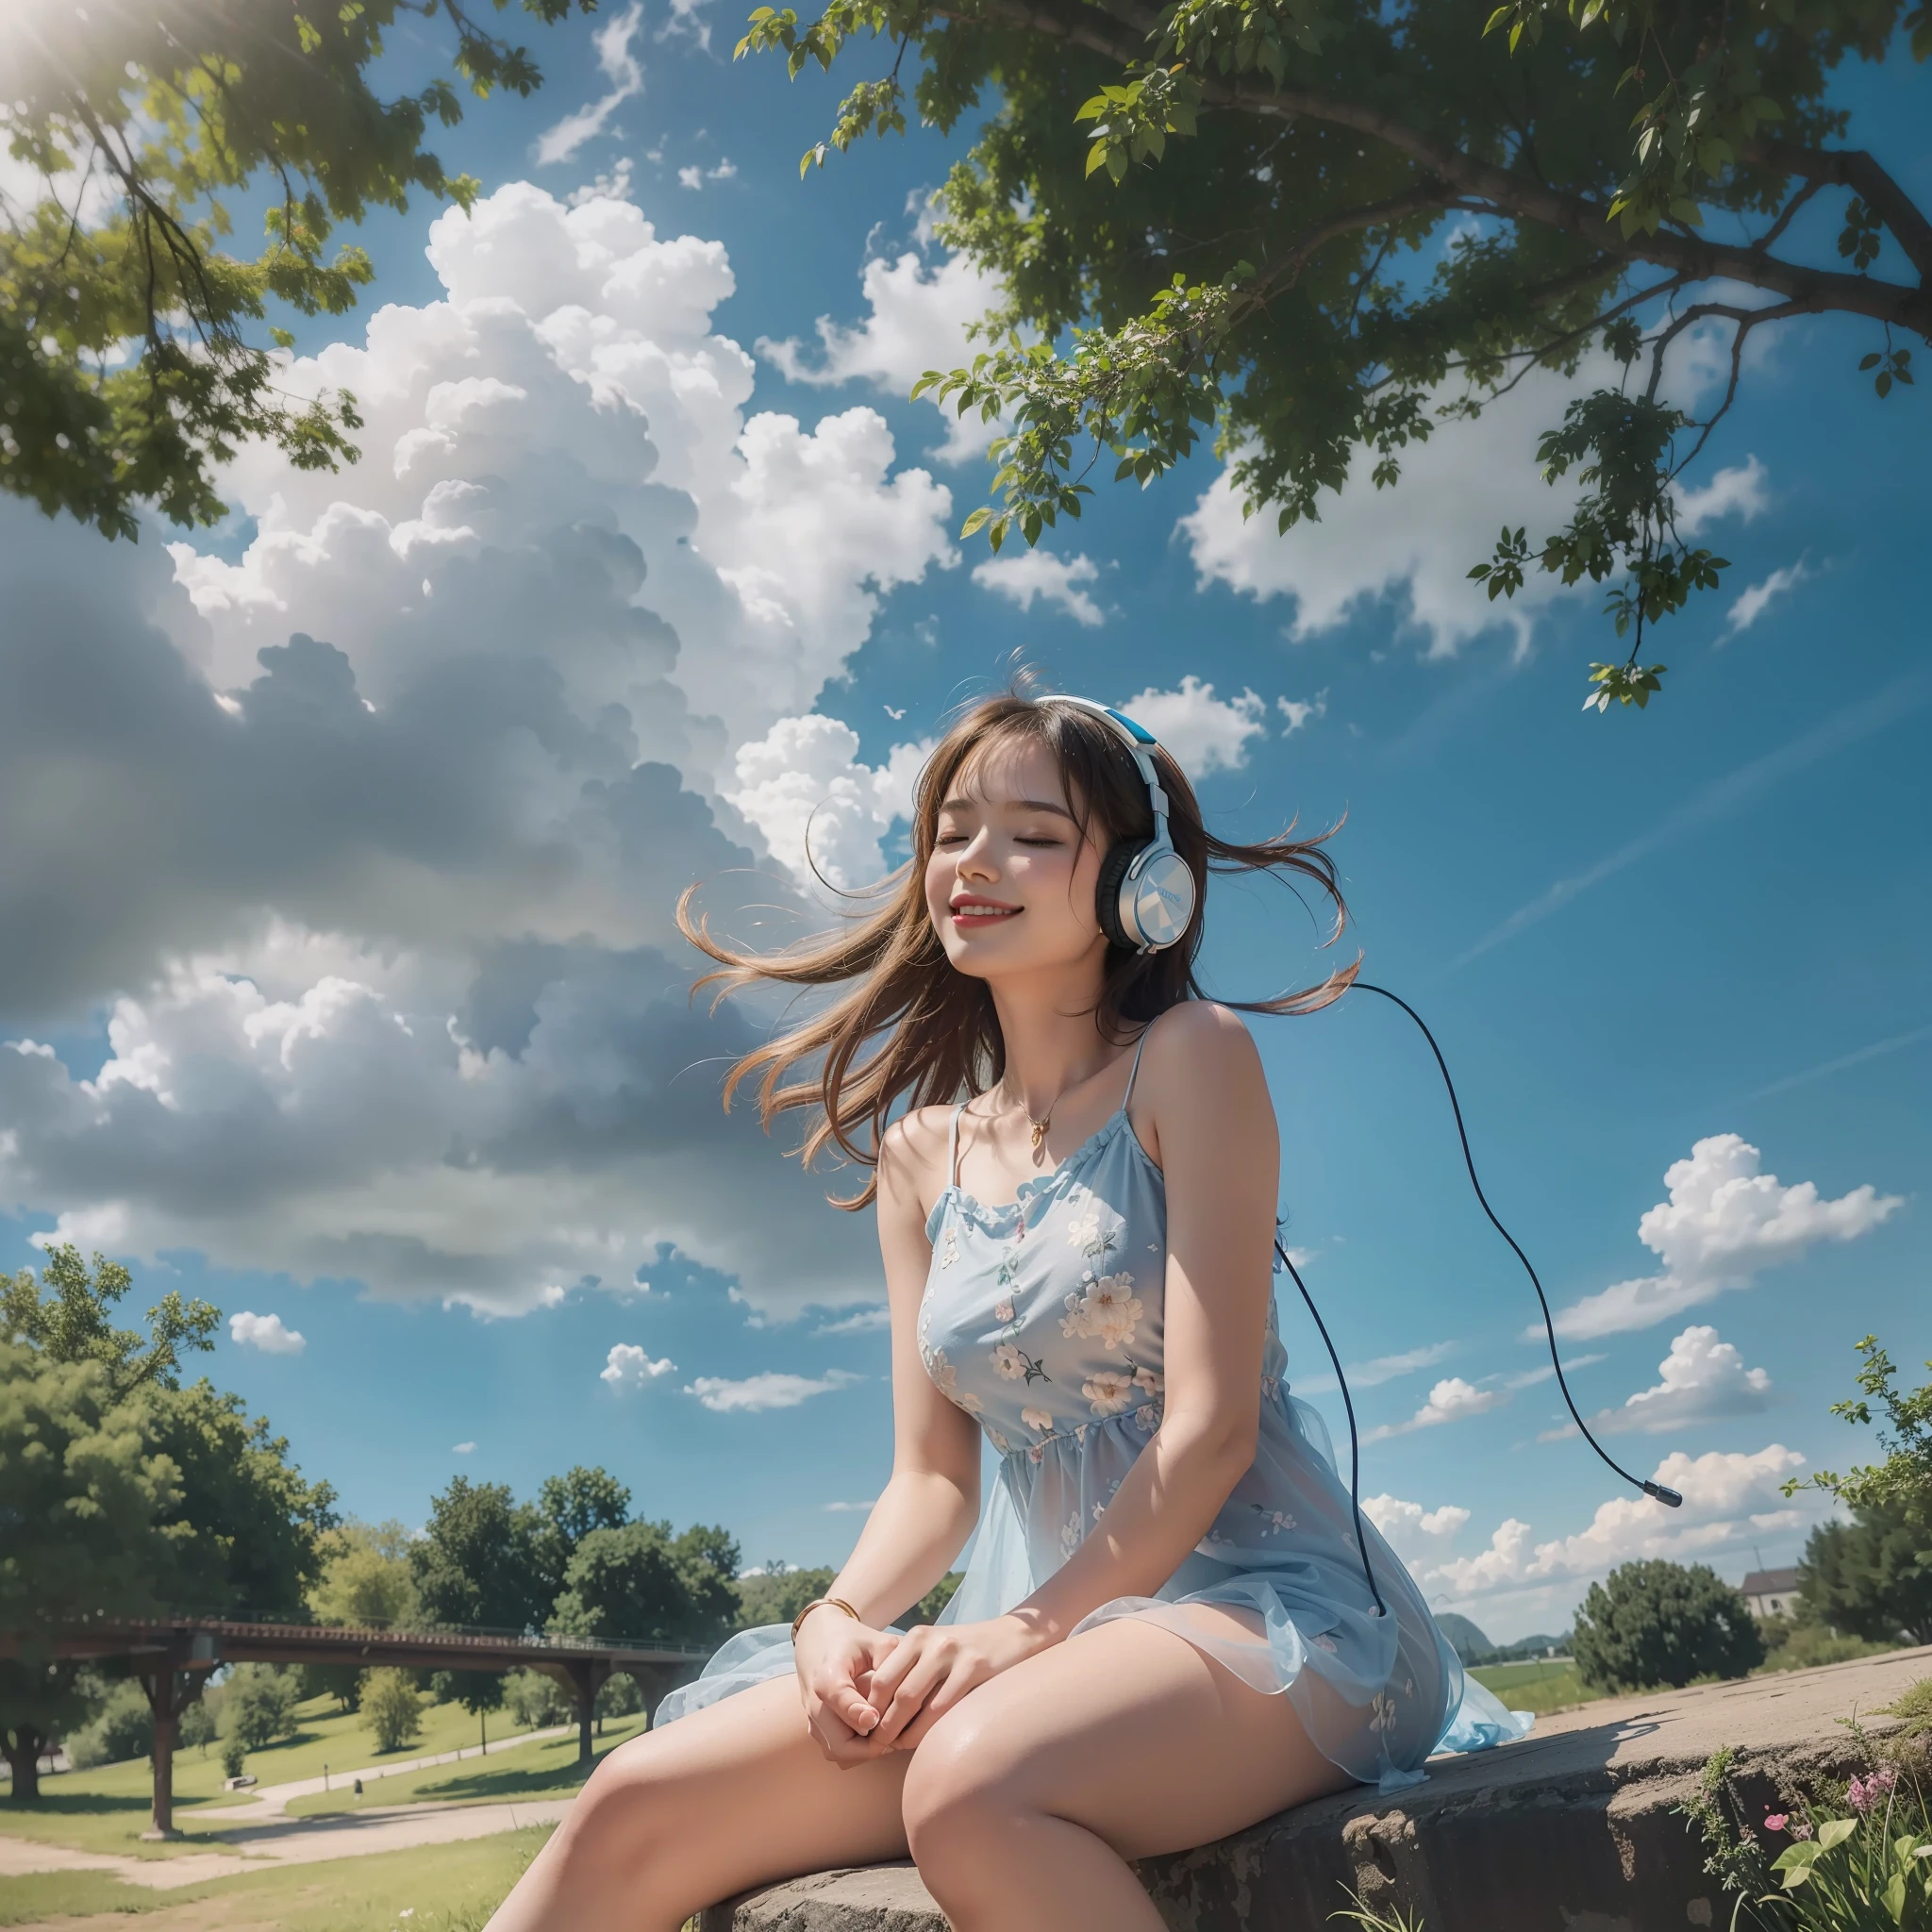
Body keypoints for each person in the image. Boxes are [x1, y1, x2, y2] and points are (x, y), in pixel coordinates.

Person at [485, 690, 1531, 1932]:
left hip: (1276, 1613)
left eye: (1033, 834)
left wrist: (1026, 1635)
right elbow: (934, 1486)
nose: (976, 862)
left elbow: (1210, 1433)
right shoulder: (919, 1157)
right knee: (632, 1801)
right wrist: (834, 1621)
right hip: (1029, 1647)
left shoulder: (1191, 1058)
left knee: (974, 1785)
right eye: (953, 829)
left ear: (1144, 889)